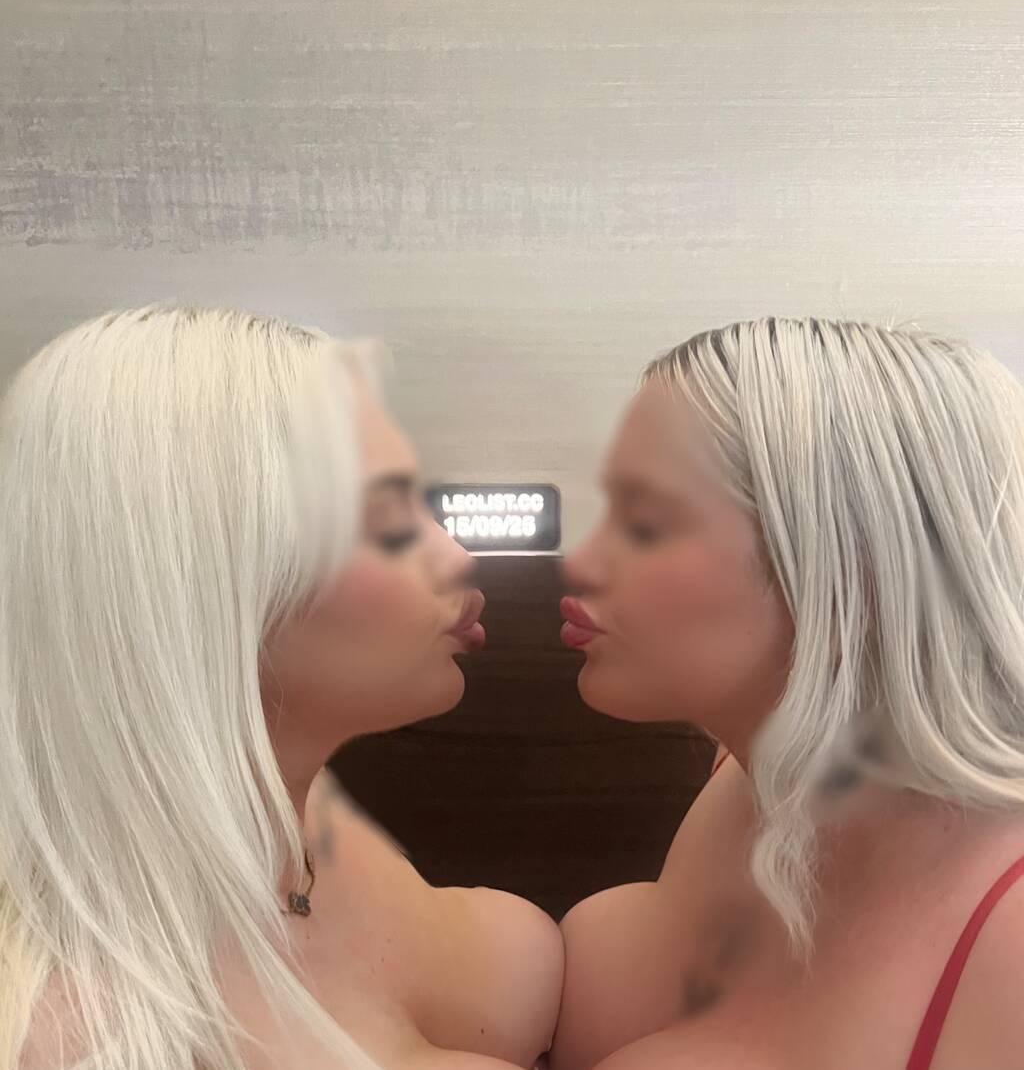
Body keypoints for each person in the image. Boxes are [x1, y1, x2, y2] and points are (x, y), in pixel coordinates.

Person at [0, 305, 563, 1070]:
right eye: (386, 516)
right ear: (203, 580)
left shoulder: (303, 821)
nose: (456, 555)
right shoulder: (82, 1039)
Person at [552, 319, 1024, 1070]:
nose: (579, 562)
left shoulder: (1007, 940)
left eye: (645, 521)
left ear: (851, 567)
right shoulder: (748, 776)